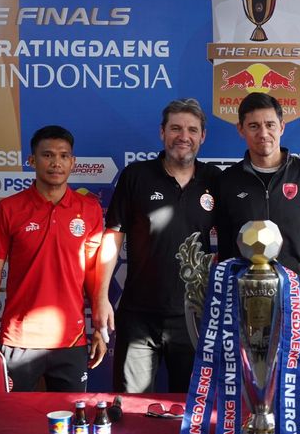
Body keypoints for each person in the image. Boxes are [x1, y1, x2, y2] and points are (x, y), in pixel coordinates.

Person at [0, 125, 106, 392]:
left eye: (64, 155)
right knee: (12, 419)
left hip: (72, 339)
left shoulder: (89, 210)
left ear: (73, 162)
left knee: (70, 421)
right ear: (32, 160)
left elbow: (94, 274)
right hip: (19, 339)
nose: (56, 163)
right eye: (47, 155)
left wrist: (99, 331)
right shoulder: (9, 208)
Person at [94, 98, 221, 393]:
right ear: (162, 132)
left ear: (202, 136)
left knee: (191, 409)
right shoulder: (135, 176)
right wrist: (101, 297)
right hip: (139, 314)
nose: (183, 136)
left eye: (192, 130)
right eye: (175, 128)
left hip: (195, 317)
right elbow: (113, 238)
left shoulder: (216, 180)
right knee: (130, 406)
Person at [216, 92, 300, 389]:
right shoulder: (227, 181)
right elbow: (223, 250)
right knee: (248, 387)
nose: (263, 133)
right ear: (241, 129)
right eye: (254, 126)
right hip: (245, 306)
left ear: (282, 126)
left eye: (270, 124)